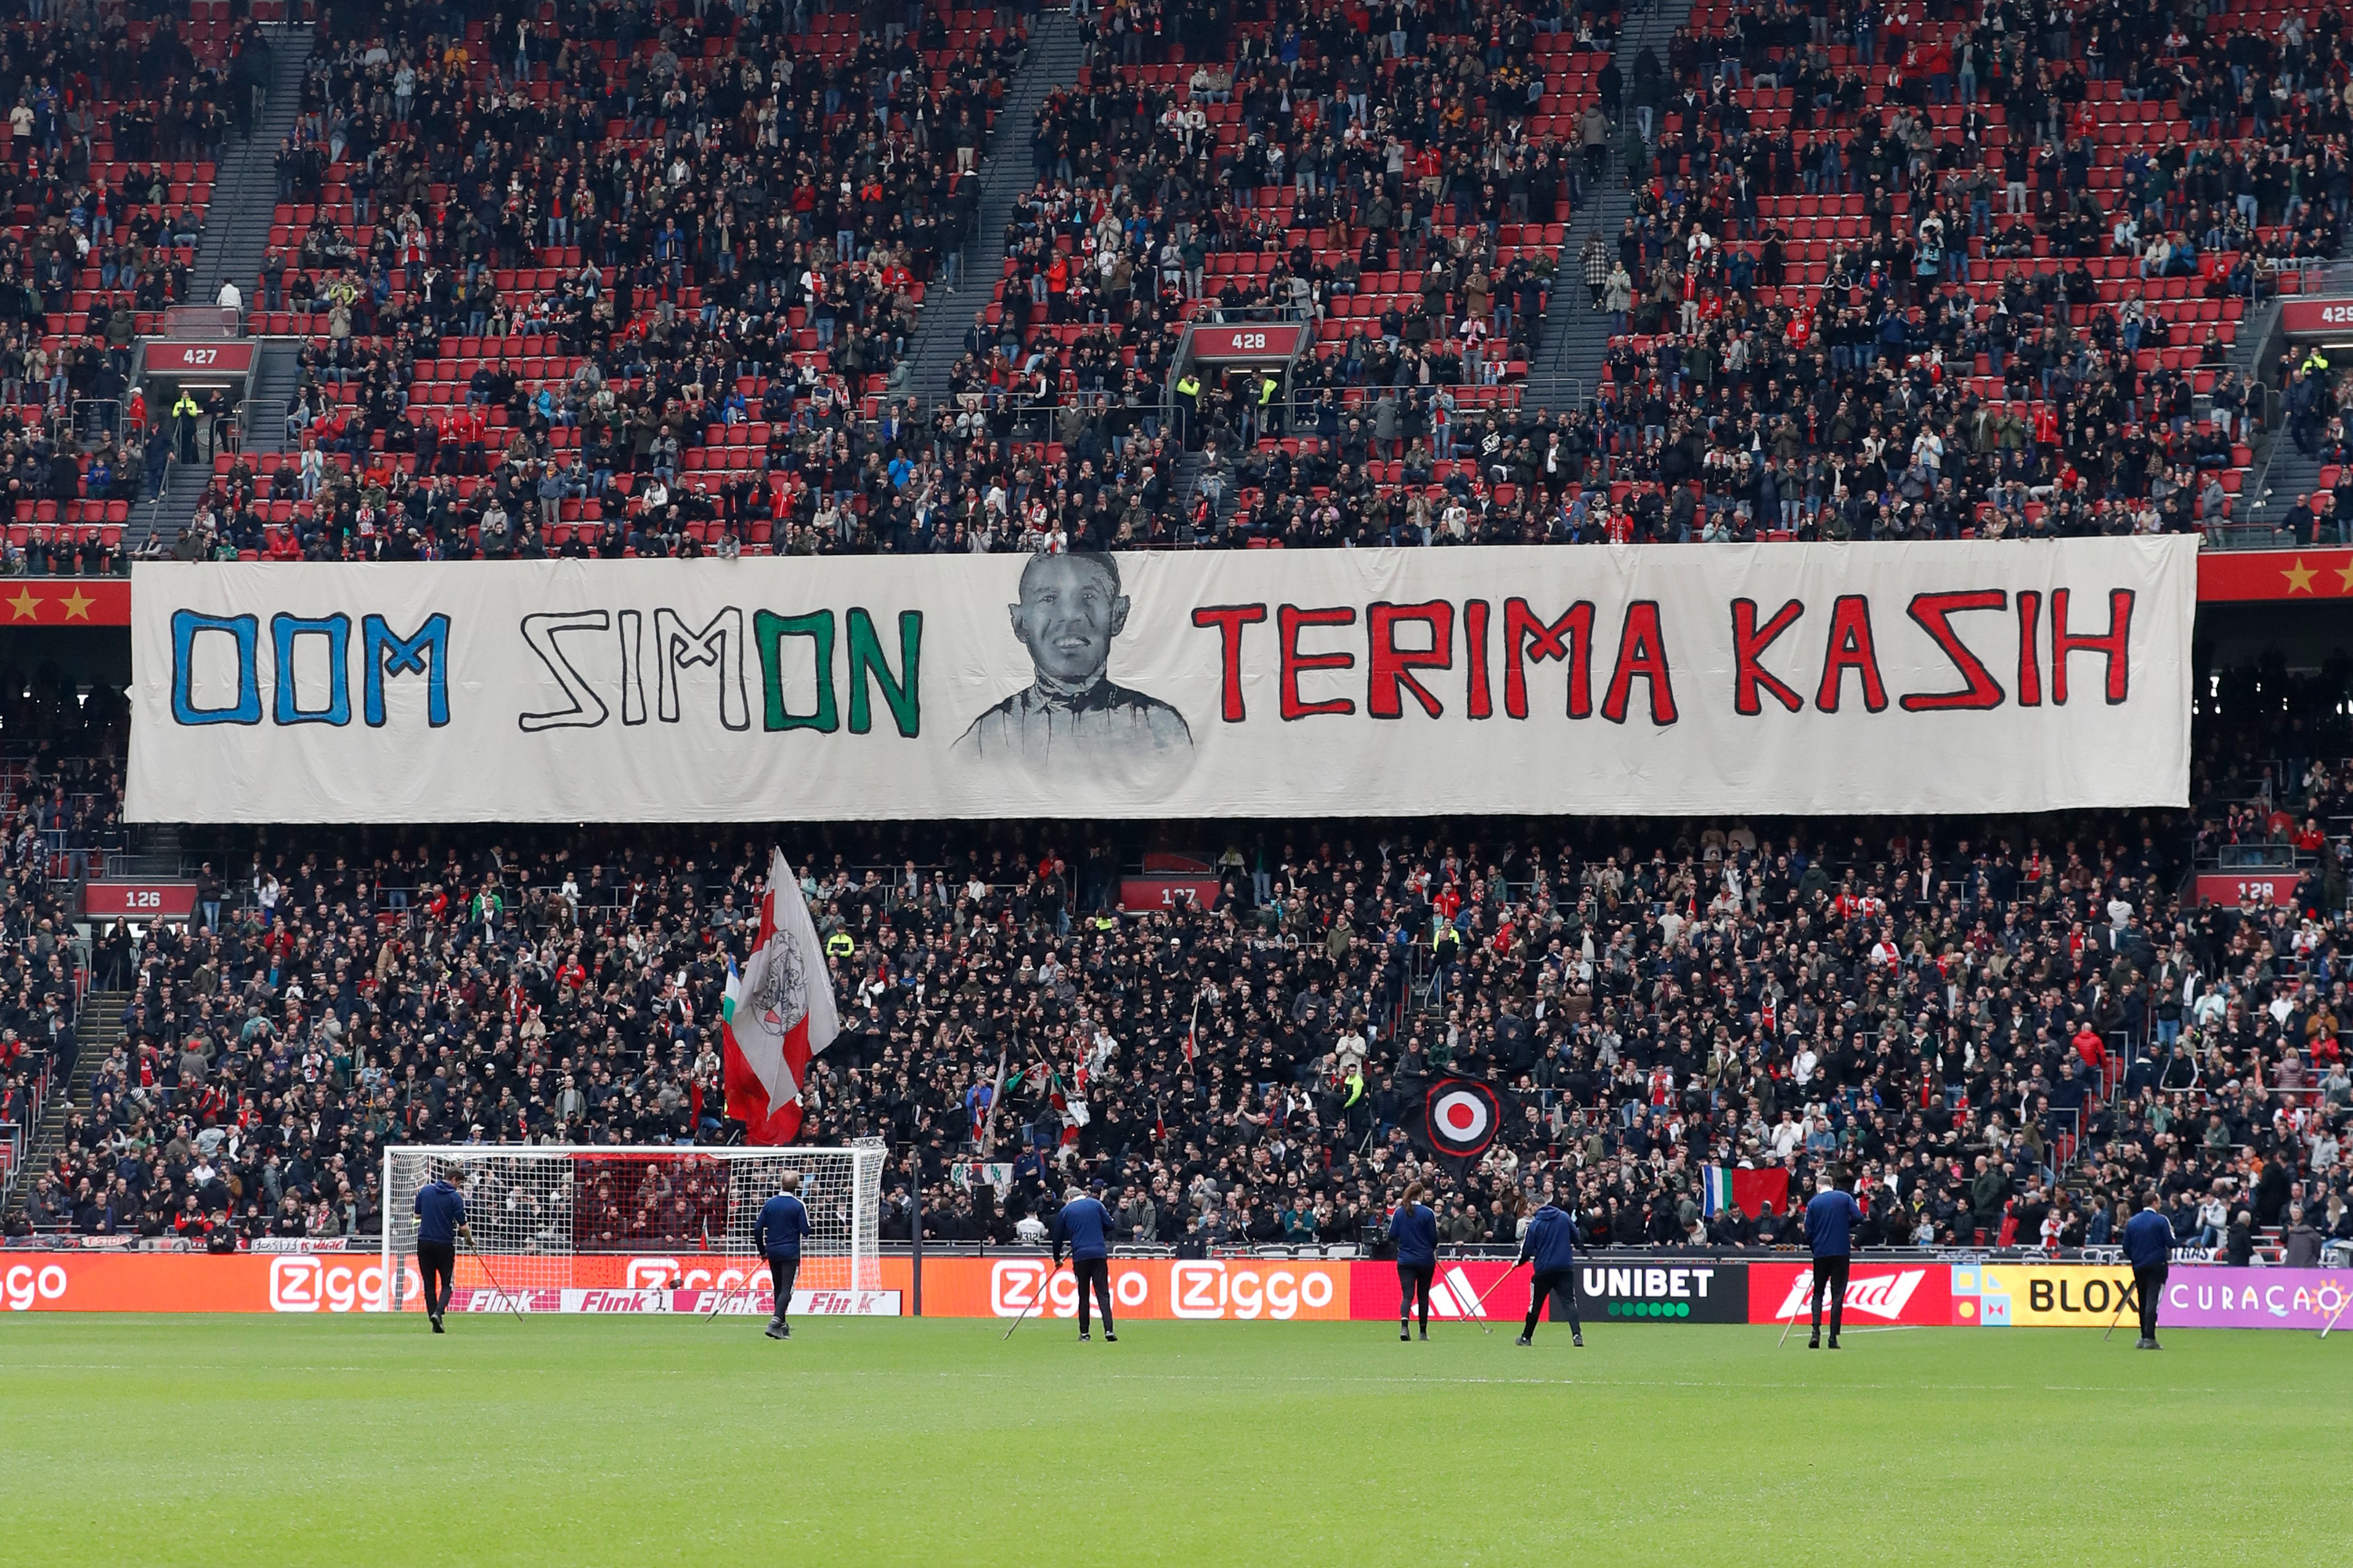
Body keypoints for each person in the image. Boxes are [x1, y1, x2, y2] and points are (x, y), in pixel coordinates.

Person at [954, 553, 1194, 789]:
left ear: (1118, 614)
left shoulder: (1160, 728)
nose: (1070, 616)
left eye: (1089, 596)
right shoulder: (989, 735)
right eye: (1049, 599)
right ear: (1020, 622)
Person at [1051, 1180, 1117, 1341]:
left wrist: (1057, 1259)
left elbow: (1057, 1238)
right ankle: (1109, 1330)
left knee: (1084, 1294)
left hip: (1080, 1255)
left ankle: (1085, 1332)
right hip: (1099, 1253)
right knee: (1103, 1293)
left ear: (1069, 1197)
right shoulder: (1096, 1205)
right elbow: (1110, 1225)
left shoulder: (1066, 1211)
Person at [1514, 1192, 1583, 1347]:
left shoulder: (1534, 1225)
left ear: (1536, 1206)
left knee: (1536, 1305)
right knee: (1569, 1303)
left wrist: (1518, 1263)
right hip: (1565, 1267)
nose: (1529, 1210)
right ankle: (1577, 1336)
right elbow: (1577, 1237)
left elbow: (1526, 1251)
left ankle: (1526, 1337)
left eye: (1530, 1207)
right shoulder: (1564, 1217)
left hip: (1544, 1270)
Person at [1804, 1174, 1864, 1349]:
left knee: (1818, 1293)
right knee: (1838, 1295)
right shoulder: (1845, 1198)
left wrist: (1815, 1248)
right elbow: (1859, 1217)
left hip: (1821, 1253)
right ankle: (1833, 1337)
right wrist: (1844, 1224)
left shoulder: (1814, 1203)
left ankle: (1815, 1332)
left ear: (1818, 1186)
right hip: (1841, 1252)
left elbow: (1808, 1231)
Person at [753, 1171, 812, 1341]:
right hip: (790, 1253)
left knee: (778, 1288)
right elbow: (806, 1230)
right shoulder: (798, 1205)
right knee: (787, 1288)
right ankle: (775, 1322)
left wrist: (762, 1250)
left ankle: (782, 1327)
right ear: (797, 1186)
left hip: (773, 1251)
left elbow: (758, 1229)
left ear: (781, 1184)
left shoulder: (770, 1204)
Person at [412, 1165, 469, 1332]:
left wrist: (431, 1214)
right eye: (459, 1183)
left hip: (424, 1243)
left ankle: (435, 1324)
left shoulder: (425, 1191)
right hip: (444, 1244)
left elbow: (417, 1216)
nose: (458, 1187)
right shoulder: (455, 1198)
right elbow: (464, 1227)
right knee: (447, 1284)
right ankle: (438, 1313)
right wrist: (470, 1240)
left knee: (429, 1284)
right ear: (453, 1179)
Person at [2121, 1187, 2174, 1349]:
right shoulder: (2161, 1220)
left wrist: (2136, 1258)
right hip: (2157, 1264)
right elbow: (2171, 1242)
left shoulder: (2133, 1221)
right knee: (2153, 1300)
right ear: (2155, 1203)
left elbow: (2126, 1247)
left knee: (2142, 1300)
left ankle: (2144, 1336)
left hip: (2139, 1265)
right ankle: (2150, 1337)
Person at [1389, 1180, 1438, 1341]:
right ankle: (1423, 1332)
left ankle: (1404, 1327)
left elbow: (1392, 1235)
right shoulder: (1428, 1213)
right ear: (1421, 1194)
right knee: (1423, 1295)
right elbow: (1434, 1239)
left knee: (1407, 1295)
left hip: (1405, 1259)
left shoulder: (1399, 1212)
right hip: (1425, 1260)